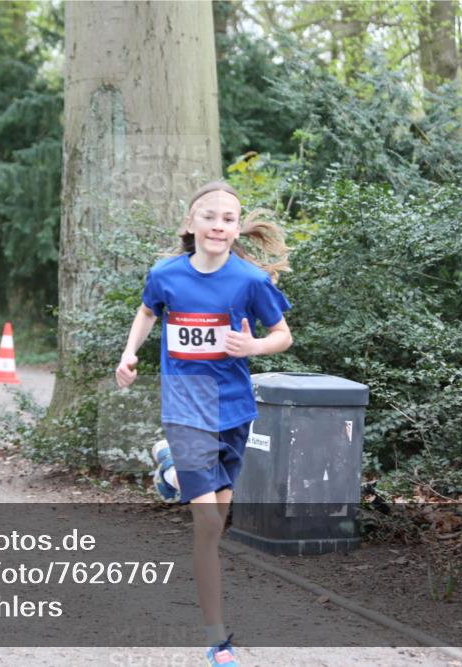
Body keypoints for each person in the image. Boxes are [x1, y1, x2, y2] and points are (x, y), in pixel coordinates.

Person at [115, 181, 293, 667]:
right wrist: (129, 355)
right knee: (207, 520)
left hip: (233, 410)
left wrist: (253, 347)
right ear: (191, 225)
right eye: (209, 216)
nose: (219, 225)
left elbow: (282, 335)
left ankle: (170, 468)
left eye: (229, 219)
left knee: (214, 529)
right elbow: (148, 311)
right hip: (186, 407)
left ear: (237, 229)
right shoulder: (166, 274)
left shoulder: (250, 281)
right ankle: (218, 639)